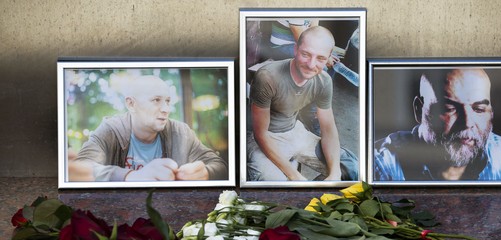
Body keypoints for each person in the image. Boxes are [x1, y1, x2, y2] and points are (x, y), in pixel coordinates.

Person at [374, 68, 501, 181]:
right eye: (449, 108)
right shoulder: (380, 165)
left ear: (491, 113)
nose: (467, 123)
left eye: (479, 109)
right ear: (418, 110)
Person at [247, 26, 358, 181]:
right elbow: (261, 134)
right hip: (267, 138)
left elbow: (328, 129)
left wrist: (334, 174)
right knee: (275, 187)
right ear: (295, 49)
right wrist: (296, 177)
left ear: (328, 58)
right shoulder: (268, 77)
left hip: (295, 132)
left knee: (350, 166)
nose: (311, 64)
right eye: (306, 54)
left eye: (320, 58)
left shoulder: (324, 81)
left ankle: (316, 199)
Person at [75, 75, 228, 182]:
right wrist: (131, 176)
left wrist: (206, 173)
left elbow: (220, 166)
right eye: (156, 100)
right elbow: (80, 169)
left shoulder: (181, 133)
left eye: (168, 101)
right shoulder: (110, 130)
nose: (166, 109)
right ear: (131, 104)